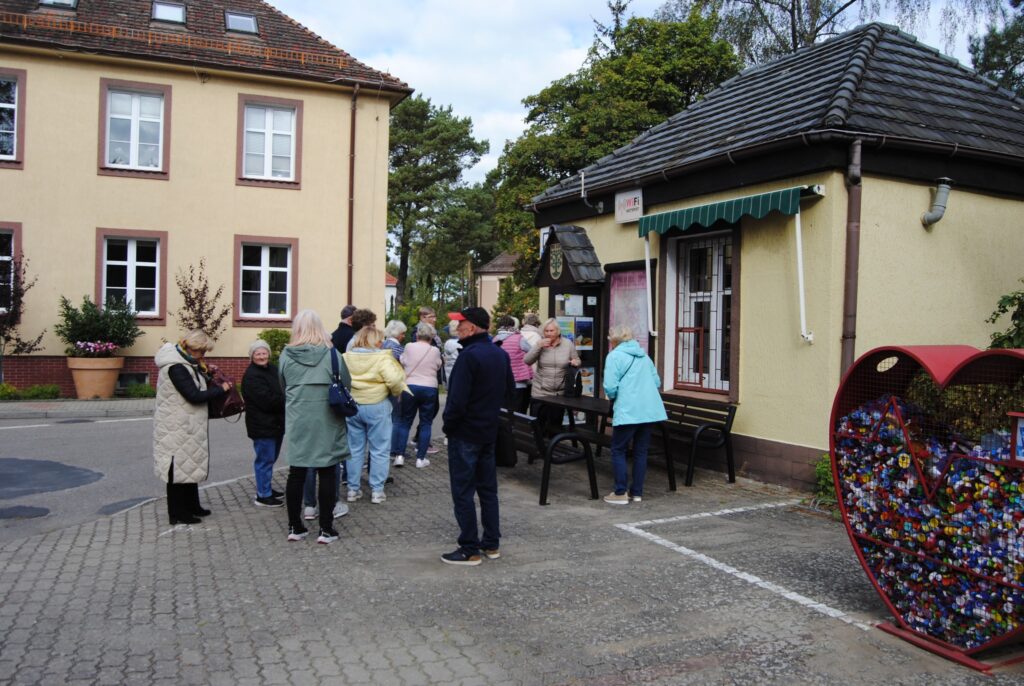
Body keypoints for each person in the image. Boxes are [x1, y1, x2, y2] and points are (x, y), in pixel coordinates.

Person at [441, 307, 514, 566]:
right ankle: (491, 542)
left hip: (466, 432)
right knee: (487, 489)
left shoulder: (469, 357)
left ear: (471, 328)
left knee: (463, 491)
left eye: (460, 324)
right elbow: (509, 391)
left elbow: (456, 400)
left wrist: (449, 426)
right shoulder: (499, 354)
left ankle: (469, 547)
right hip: (488, 430)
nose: (457, 329)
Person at [278, 310, 352, 544]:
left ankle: (295, 526)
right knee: (328, 471)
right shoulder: (333, 355)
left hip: (299, 418)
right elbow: (346, 383)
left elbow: (282, 385)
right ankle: (326, 528)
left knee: (297, 472)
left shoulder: (286, 356)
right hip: (327, 418)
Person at [153, 330, 231, 525]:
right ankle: (178, 513)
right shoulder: (176, 367)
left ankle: (192, 506)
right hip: (176, 426)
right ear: (190, 348)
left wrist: (206, 372)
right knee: (177, 471)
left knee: (189, 465)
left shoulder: (186, 363)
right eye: (201, 352)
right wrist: (220, 389)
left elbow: (198, 384)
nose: (203, 356)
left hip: (187, 424)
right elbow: (193, 395)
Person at [343, 325, 409, 504]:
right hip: (377, 405)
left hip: (353, 406)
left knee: (354, 450)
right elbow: (395, 379)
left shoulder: (346, 357)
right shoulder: (382, 357)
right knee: (379, 449)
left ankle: (352, 489)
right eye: (380, 339)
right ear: (375, 340)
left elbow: (340, 378)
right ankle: (377, 491)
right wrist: (395, 393)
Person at [602, 325, 667, 505]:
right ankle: (637, 493)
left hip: (628, 410)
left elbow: (610, 386)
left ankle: (620, 492)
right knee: (640, 452)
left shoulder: (614, 356)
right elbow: (656, 381)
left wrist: (615, 397)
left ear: (614, 341)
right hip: (649, 410)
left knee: (618, 449)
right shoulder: (644, 356)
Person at [241, 339, 286, 508]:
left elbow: (282, 387)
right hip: (262, 425)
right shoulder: (252, 376)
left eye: (264, 353)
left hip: (275, 424)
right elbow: (267, 401)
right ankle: (263, 495)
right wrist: (287, 399)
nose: (262, 356)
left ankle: (266, 488)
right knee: (264, 460)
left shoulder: (272, 369)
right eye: (258, 354)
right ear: (252, 356)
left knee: (270, 458)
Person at [395, 322, 443, 468]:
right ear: (432, 337)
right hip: (429, 388)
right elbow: (438, 365)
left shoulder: (409, 346)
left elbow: (402, 360)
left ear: (417, 335)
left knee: (405, 421)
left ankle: (399, 456)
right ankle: (420, 458)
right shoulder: (434, 350)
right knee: (426, 422)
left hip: (410, 386)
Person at [523, 317, 581, 433]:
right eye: (546, 331)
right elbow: (527, 360)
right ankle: (538, 450)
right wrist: (538, 346)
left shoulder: (567, 344)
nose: (548, 333)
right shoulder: (540, 344)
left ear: (558, 331)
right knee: (538, 429)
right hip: (540, 392)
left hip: (559, 394)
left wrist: (576, 362)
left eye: (551, 331)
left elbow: (577, 360)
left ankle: (553, 449)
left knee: (555, 428)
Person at [493, 315, 532, 413]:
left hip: (500, 382)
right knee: (518, 412)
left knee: (502, 412)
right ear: (512, 325)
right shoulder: (519, 338)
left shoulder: (495, 339)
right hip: (518, 381)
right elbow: (531, 351)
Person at [382, 319, 408, 464]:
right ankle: (393, 450)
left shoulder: (383, 345)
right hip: (395, 386)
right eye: (403, 333)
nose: (404, 336)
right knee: (396, 418)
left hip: (382, 386)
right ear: (398, 334)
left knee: (386, 419)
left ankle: (386, 448)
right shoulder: (398, 348)